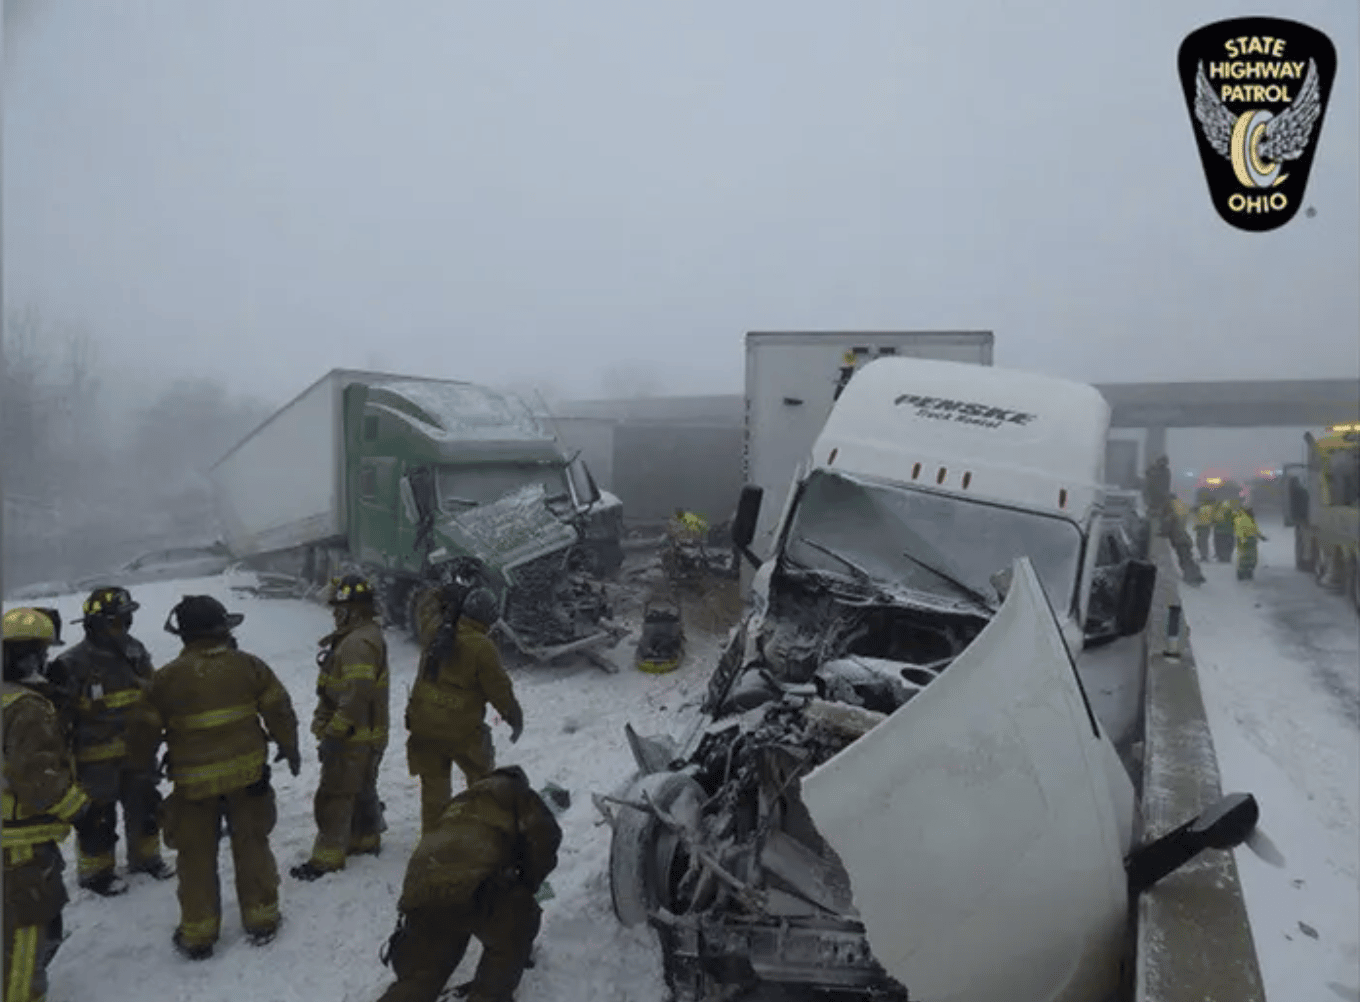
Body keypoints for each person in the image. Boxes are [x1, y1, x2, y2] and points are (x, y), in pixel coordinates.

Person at [147, 595, 301, 959]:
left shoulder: (165, 679)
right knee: (252, 844)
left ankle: (198, 934)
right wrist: (289, 747)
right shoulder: (250, 666)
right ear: (222, 629)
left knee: (195, 855)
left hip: (193, 786)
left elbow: (143, 731)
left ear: (182, 635)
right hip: (249, 778)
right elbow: (279, 708)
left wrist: (141, 772)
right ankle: (262, 919)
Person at [376, 765, 562, 1002]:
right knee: (517, 921)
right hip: (476, 888)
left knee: (419, 979)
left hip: (420, 894)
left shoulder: (457, 803)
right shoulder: (516, 792)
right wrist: (529, 883)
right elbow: (545, 837)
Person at [47, 586, 172, 896]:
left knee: (145, 807)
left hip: (138, 751)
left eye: (127, 619)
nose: (126, 626)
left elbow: (152, 691)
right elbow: (57, 719)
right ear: (99, 623)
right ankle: (95, 873)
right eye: (120, 620)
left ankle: (146, 858)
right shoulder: (70, 663)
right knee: (98, 816)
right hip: (95, 760)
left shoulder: (135, 651)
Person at [3, 608, 93, 1002]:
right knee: (28, 929)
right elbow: (40, 783)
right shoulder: (28, 708)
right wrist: (80, 809)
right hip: (19, 839)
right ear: (30, 656)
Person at [291, 574, 390, 881]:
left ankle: (326, 858)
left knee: (335, 795)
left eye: (339, 608)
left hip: (351, 737)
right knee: (361, 789)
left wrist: (334, 733)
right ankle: (364, 838)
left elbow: (356, 695)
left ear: (354, 610)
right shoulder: (364, 636)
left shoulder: (357, 644)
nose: (334, 613)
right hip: (366, 735)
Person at [406, 586, 524, 834]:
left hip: (423, 726)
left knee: (434, 792)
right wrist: (514, 717)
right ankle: (479, 834)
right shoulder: (482, 647)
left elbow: (425, 605)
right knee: (482, 779)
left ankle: (434, 843)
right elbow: (499, 689)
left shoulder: (434, 630)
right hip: (461, 731)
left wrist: (443, 591)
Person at [1234, 506, 1269, 581]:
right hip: (1245, 541)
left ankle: (1249, 572)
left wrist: (1260, 536)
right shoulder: (1241, 518)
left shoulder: (1251, 519)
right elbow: (1239, 530)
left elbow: (1254, 530)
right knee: (1245, 557)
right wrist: (1243, 540)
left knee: (1253, 558)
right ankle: (1241, 573)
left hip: (1252, 541)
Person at [1212, 498, 1237, 563]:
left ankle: (1221, 557)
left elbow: (1214, 522)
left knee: (1220, 546)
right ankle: (1227, 557)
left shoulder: (1218, 513)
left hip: (1219, 533)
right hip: (1229, 533)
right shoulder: (1233, 513)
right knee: (1229, 546)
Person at [1193, 497, 1216, 562]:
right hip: (1204, 526)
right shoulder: (1209, 508)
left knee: (1201, 542)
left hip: (1203, 526)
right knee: (1202, 541)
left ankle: (1204, 556)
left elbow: (1200, 517)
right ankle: (1203, 555)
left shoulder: (1205, 508)